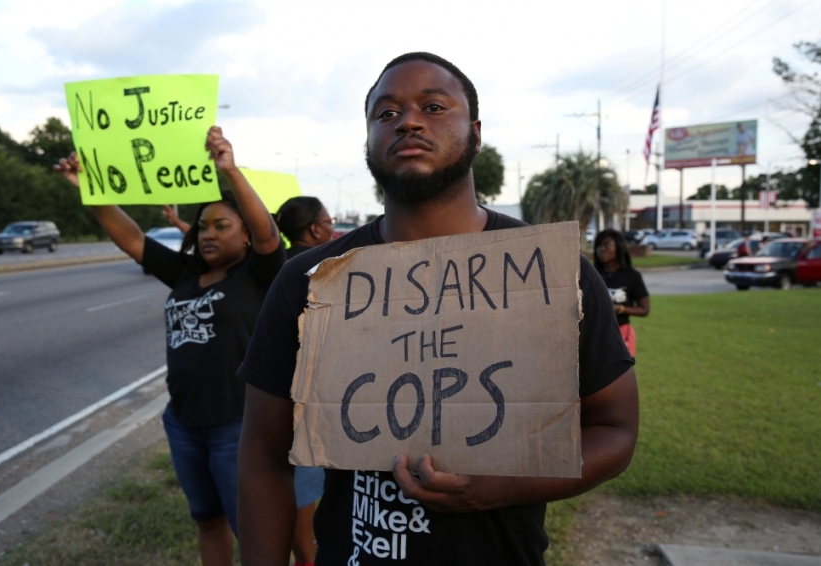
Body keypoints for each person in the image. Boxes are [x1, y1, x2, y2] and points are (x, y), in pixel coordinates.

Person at [236, 52, 639, 566]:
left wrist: (502, 485)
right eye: (385, 114)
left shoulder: (553, 272)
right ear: (369, 141)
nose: (407, 120)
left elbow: (615, 431)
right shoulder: (311, 281)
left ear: (474, 131)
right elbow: (263, 455)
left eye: (433, 105)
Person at [54, 126, 284, 566]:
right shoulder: (183, 273)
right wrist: (90, 189)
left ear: (246, 237)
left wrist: (230, 172)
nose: (208, 234)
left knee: (254, 535)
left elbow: (270, 237)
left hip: (236, 429)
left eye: (222, 225)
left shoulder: (260, 276)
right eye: (202, 227)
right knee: (207, 520)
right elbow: (134, 240)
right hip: (182, 424)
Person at [273, 195, 335, 566]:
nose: (332, 228)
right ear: (314, 229)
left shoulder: (268, 267)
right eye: (328, 222)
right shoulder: (321, 270)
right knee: (303, 495)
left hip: (269, 399)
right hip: (305, 402)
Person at [593, 229, 650, 357]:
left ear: (618, 248)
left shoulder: (632, 276)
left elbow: (644, 309)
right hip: (595, 334)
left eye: (606, 245)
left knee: (621, 375)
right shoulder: (592, 275)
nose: (601, 249)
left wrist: (620, 308)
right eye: (598, 245)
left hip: (620, 333)